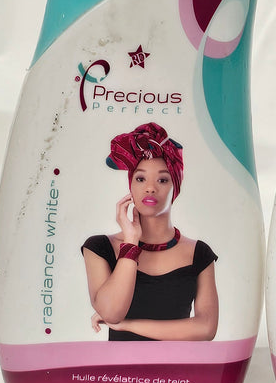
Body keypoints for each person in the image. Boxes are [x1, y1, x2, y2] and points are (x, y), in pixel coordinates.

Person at [81, 122, 218, 342]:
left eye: (162, 180)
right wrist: (130, 243)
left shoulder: (199, 253)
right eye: (140, 178)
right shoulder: (99, 248)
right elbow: (111, 312)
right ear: (131, 186)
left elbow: (206, 328)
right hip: (119, 366)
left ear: (175, 187)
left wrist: (128, 325)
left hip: (181, 366)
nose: (150, 188)